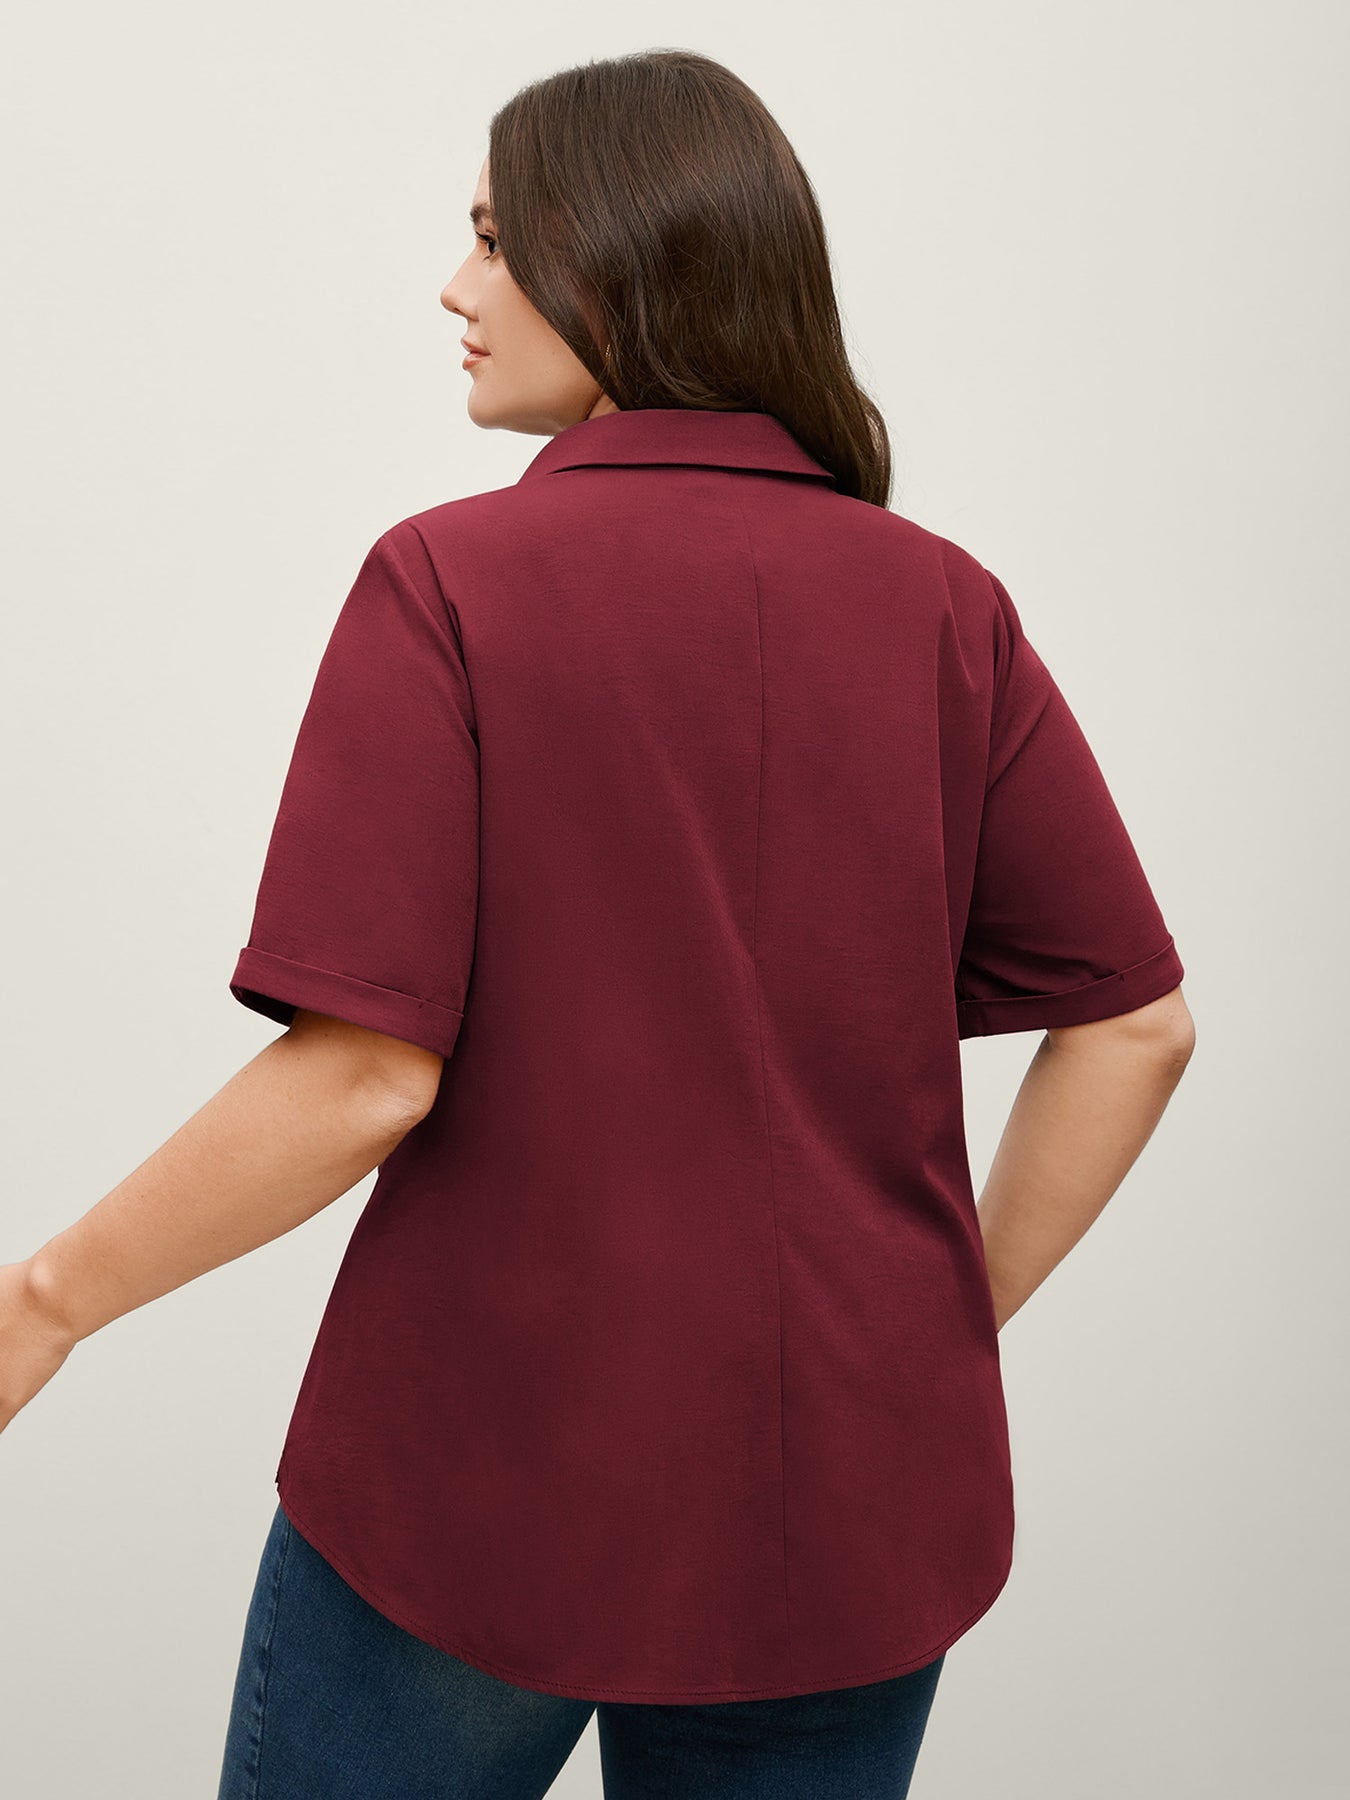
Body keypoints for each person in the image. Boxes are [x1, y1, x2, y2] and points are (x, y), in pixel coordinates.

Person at [0, 48, 1195, 1800]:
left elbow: (364, 1076)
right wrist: (932, 1332)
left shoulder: (450, 581)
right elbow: (1136, 1025)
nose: (454, 285)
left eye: (495, 239)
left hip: (487, 1482)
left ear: (621, 255)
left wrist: (42, 1303)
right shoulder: (947, 605)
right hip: (853, 1506)